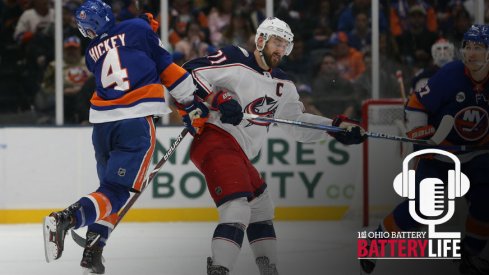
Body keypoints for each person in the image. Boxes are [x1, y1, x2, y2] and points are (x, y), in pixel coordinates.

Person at [181, 17, 367, 275]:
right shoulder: (235, 58)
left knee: (261, 208)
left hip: (240, 153)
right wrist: (218, 98)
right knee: (237, 206)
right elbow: (187, 74)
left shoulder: (284, 85)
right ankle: (220, 269)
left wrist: (334, 127)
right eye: (276, 42)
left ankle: (269, 269)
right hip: (215, 139)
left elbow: (295, 123)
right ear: (260, 40)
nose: (280, 50)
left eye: (285, 45)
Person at [42, 1, 204, 274]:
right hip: (134, 122)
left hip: (103, 128)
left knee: (107, 191)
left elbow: (122, 51)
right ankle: (66, 218)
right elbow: (167, 69)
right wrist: (190, 103)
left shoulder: (91, 53)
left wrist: (146, 34)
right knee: (117, 192)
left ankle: (93, 251)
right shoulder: (138, 28)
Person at [360, 24, 489, 275]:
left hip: (478, 153)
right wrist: (420, 133)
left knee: (486, 204)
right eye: (468, 47)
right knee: (423, 208)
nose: (471, 53)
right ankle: (374, 242)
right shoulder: (451, 74)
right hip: (441, 152)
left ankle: (469, 256)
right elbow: (416, 104)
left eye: (479, 48)